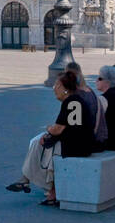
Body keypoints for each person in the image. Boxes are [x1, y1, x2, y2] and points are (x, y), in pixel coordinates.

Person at [18, 70, 96, 207]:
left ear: (63, 88)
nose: (54, 89)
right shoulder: (76, 100)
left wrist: (48, 129)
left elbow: (58, 129)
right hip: (81, 143)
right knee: (42, 142)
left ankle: (28, 179)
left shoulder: (71, 102)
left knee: (39, 142)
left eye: (56, 86)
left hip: (75, 146)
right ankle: (43, 189)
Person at [67, 60, 109, 146]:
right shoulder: (89, 90)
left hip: (88, 142)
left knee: (39, 142)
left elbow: (73, 127)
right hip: (98, 139)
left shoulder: (76, 96)